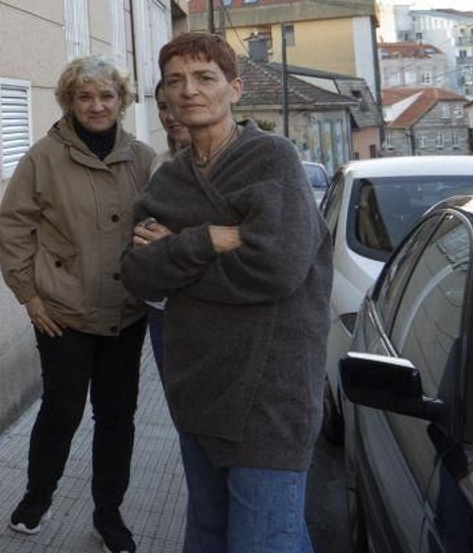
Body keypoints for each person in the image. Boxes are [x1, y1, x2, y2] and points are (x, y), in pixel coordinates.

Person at [122, 33, 331, 553]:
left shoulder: (272, 160)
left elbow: (276, 269)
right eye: (175, 82)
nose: (189, 91)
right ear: (164, 97)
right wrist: (211, 238)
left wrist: (178, 257)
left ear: (235, 89)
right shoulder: (168, 183)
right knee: (210, 535)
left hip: (269, 393)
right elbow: (137, 275)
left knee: (265, 540)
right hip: (198, 385)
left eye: (204, 78)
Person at [0, 55, 154, 553]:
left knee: (115, 417)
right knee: (62, 410)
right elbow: (13, 229)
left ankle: (109, 514)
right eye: (85, 96)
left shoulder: (144, 159)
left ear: (122, 101)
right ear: (69, 101)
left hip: (126, 313)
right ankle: (37, 497)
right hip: (62, 313)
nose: (97, 105)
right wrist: (30, 296)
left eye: (107, 95)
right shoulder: (43, 157)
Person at [146, 80, 193, 372]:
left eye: (179, 105)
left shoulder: (233, 165)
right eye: (164, 106)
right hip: (161, 308)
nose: (172, 115)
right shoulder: (158, 165)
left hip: (210, 309)